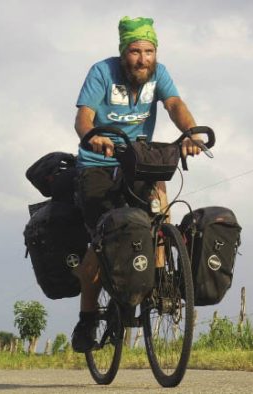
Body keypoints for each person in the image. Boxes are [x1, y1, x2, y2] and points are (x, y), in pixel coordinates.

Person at [71, 16, 205, 352]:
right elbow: (83, 115)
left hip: (138, 161)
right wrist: (92, 136)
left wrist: (191, 131)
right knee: (101, 239)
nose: (142, 58)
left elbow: (175, 105)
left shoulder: (159, 74)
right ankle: (88, 319)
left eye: (148, 51)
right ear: (123, 52)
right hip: (98, 165)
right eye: (135, 51)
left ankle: (158, 285)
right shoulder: (102, 72)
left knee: (159, 217)